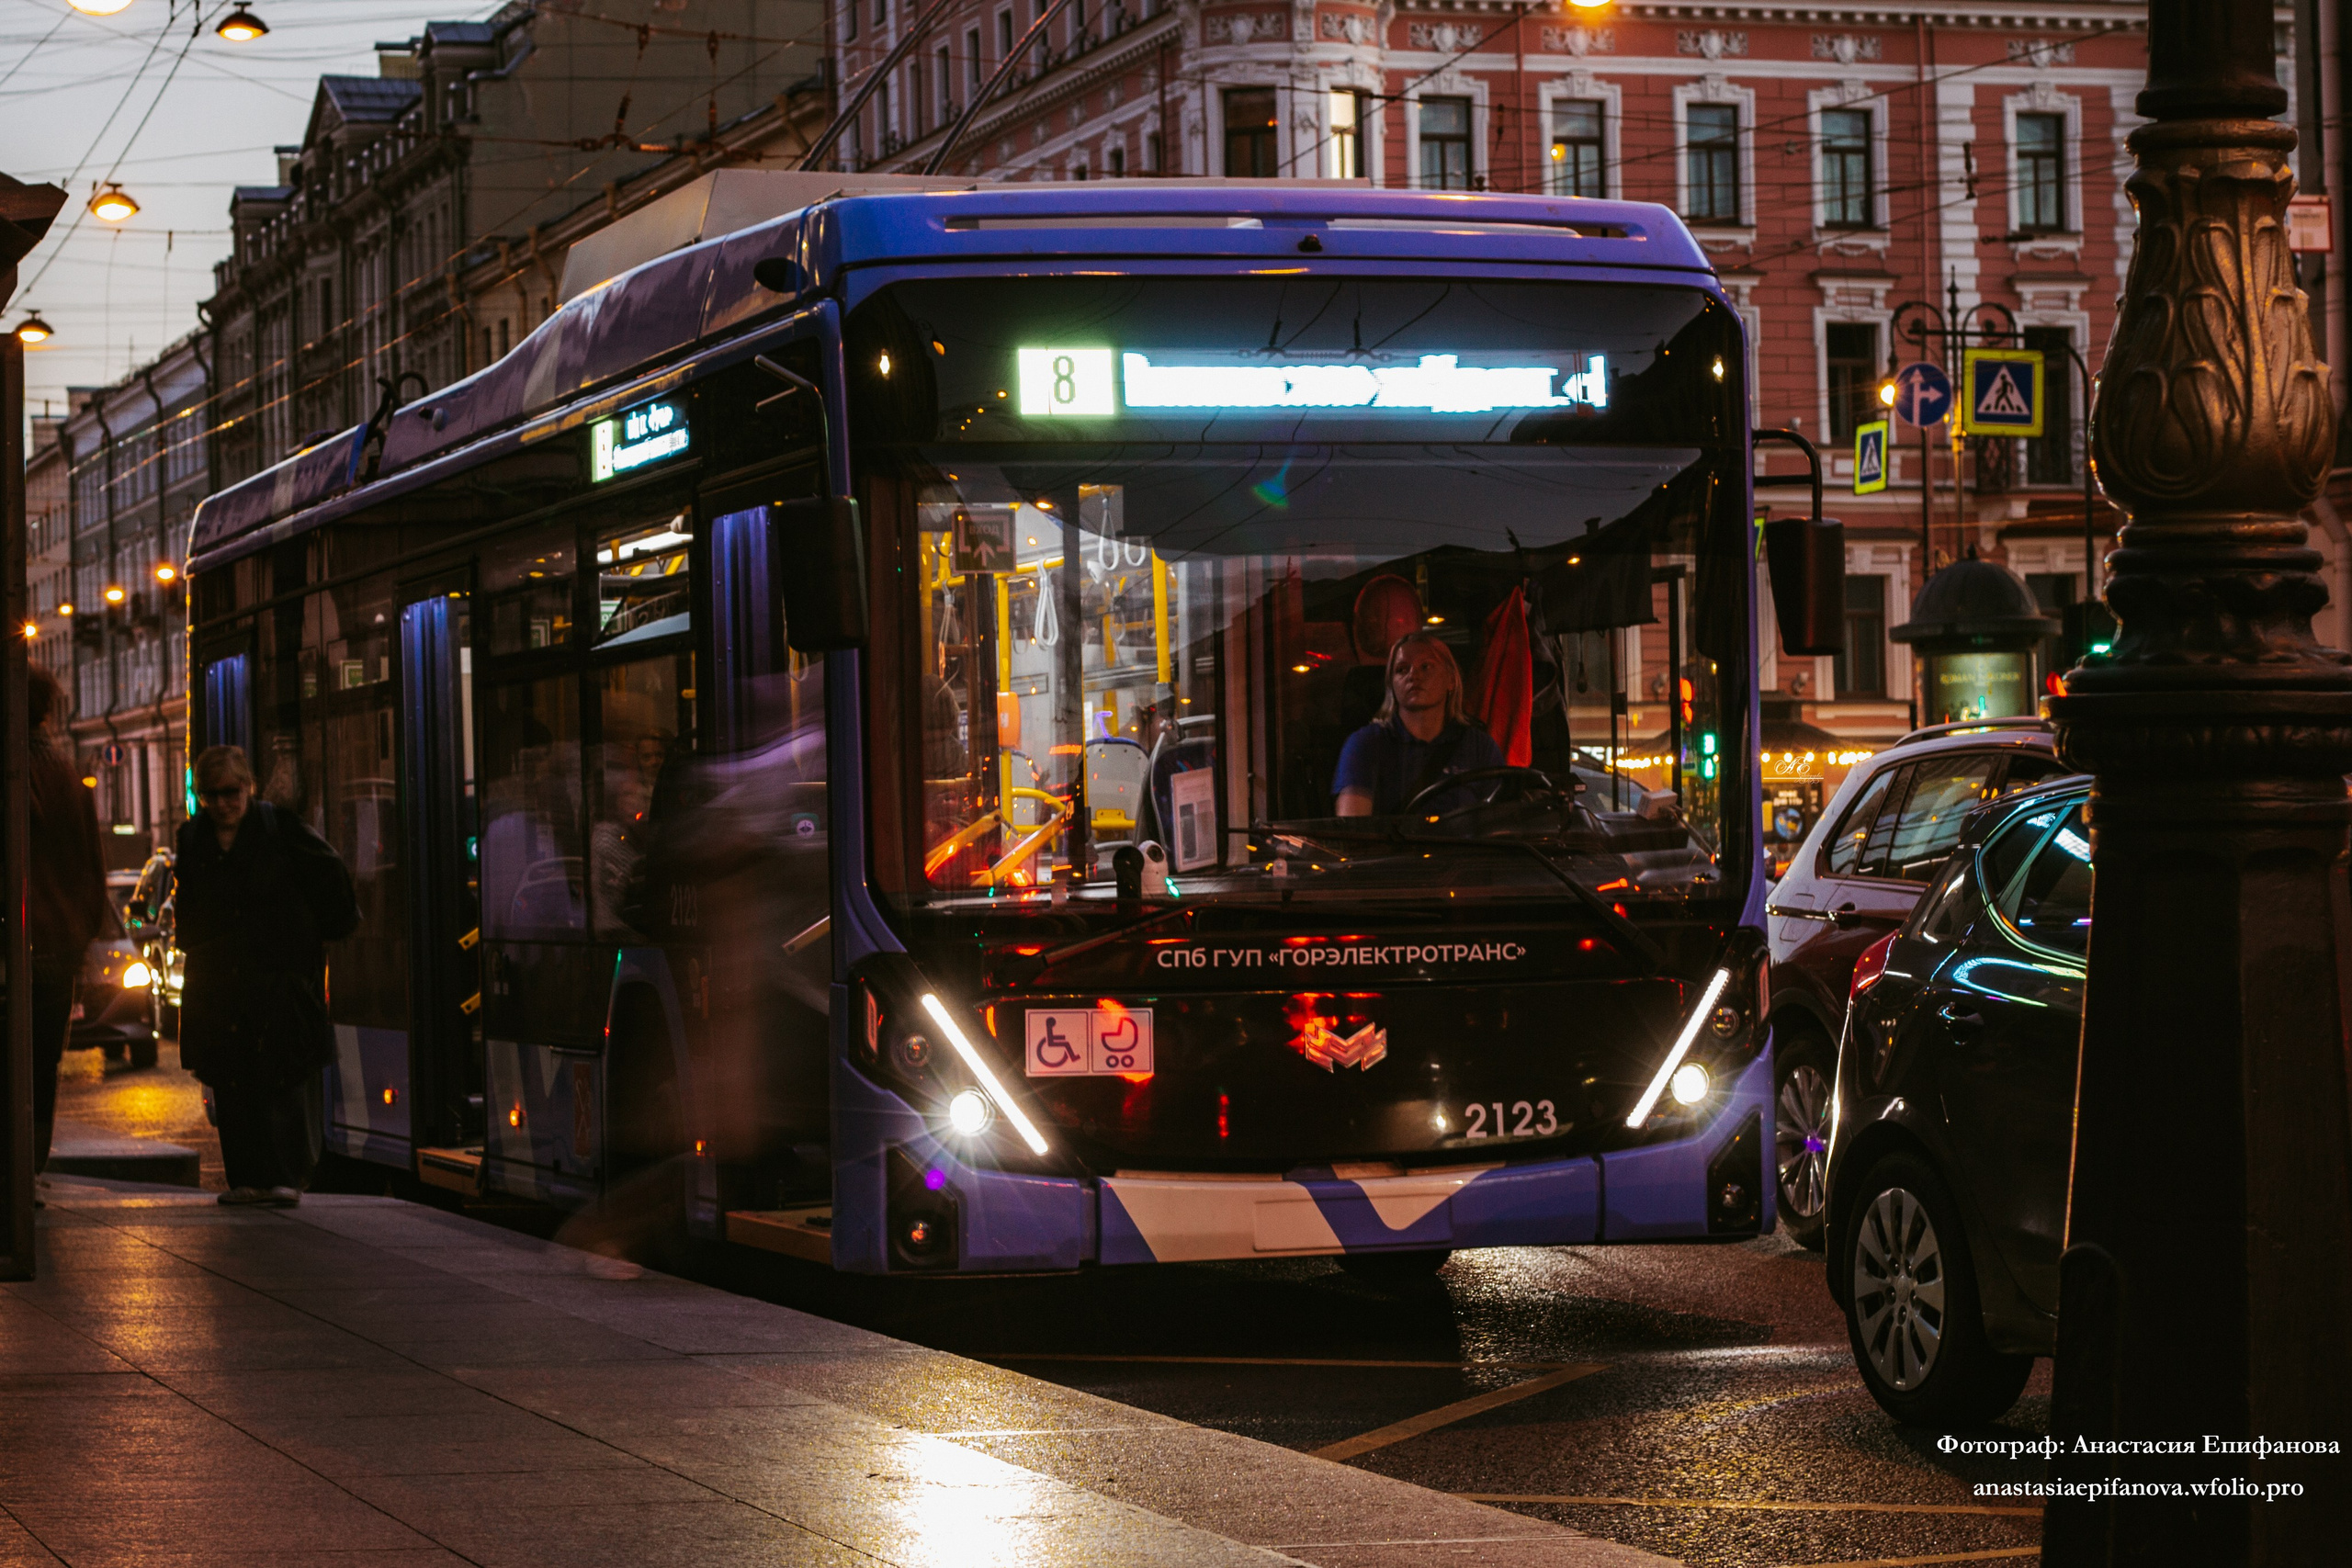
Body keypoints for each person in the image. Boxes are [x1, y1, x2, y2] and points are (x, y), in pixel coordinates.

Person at [175, 745, 358, 1207]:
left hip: (275, 979)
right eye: (211, 795)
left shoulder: (278, 828)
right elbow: (190, 904)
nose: (222, 804)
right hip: (220, 984)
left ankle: (284, 1176)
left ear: (248, 788)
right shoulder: (192, 838)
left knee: (280, 1077)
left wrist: (313, 939)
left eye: (231, 792)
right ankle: (246, 1179)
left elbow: (330, 873)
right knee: (231, 1079)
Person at [26, 665, 119, 1174]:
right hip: (58, 950)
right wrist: (77, 939)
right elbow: (93, 872)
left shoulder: (19, 772)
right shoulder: (68, 774)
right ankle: (33, 1168)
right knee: (42, 1063)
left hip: (19, 944)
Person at [1332, 631, 1508, 817]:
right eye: (1401, 669)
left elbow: (1501, 819)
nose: (1413, 675)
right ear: (1392, 683)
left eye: (1426, 667)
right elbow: (1353, 828)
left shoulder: (1479, 746)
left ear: (1451, 680)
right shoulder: (1366, 744)